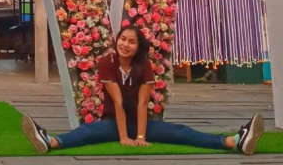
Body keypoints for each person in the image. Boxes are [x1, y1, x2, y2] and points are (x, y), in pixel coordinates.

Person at [21, 25, 264, 155]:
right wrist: (124, 137)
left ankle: (234, 141)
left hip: (140, 122)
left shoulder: (144, 66)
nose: (125, 44)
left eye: (131, 41)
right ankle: (50, 141)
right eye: (122, 39)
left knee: (179, 133)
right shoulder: (107, 62)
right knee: (87, 133)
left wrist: (139, 136)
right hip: (112, 122)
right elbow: (116, 102)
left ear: (138, 47)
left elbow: (141, 104)